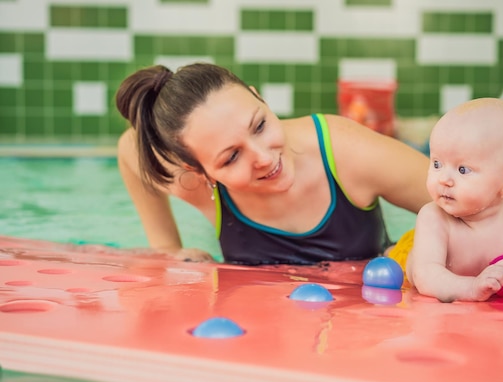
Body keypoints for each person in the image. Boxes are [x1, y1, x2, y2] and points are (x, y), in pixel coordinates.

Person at [114, 62, 432, 265]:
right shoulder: (194, 183)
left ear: (260, 98)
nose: (264, 158)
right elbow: (130, 148)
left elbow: (465, 201)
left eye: (260, 125)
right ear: (200, 172)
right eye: (232, 157)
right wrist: (166, 248)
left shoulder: (346, 151)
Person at [404, 98, 503, 303]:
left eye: (463, 169)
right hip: (411, 251)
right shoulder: (433, 217)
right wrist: (472, 287)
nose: (443, 179)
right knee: (402, 255)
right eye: (437, 163)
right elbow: (426, 276)